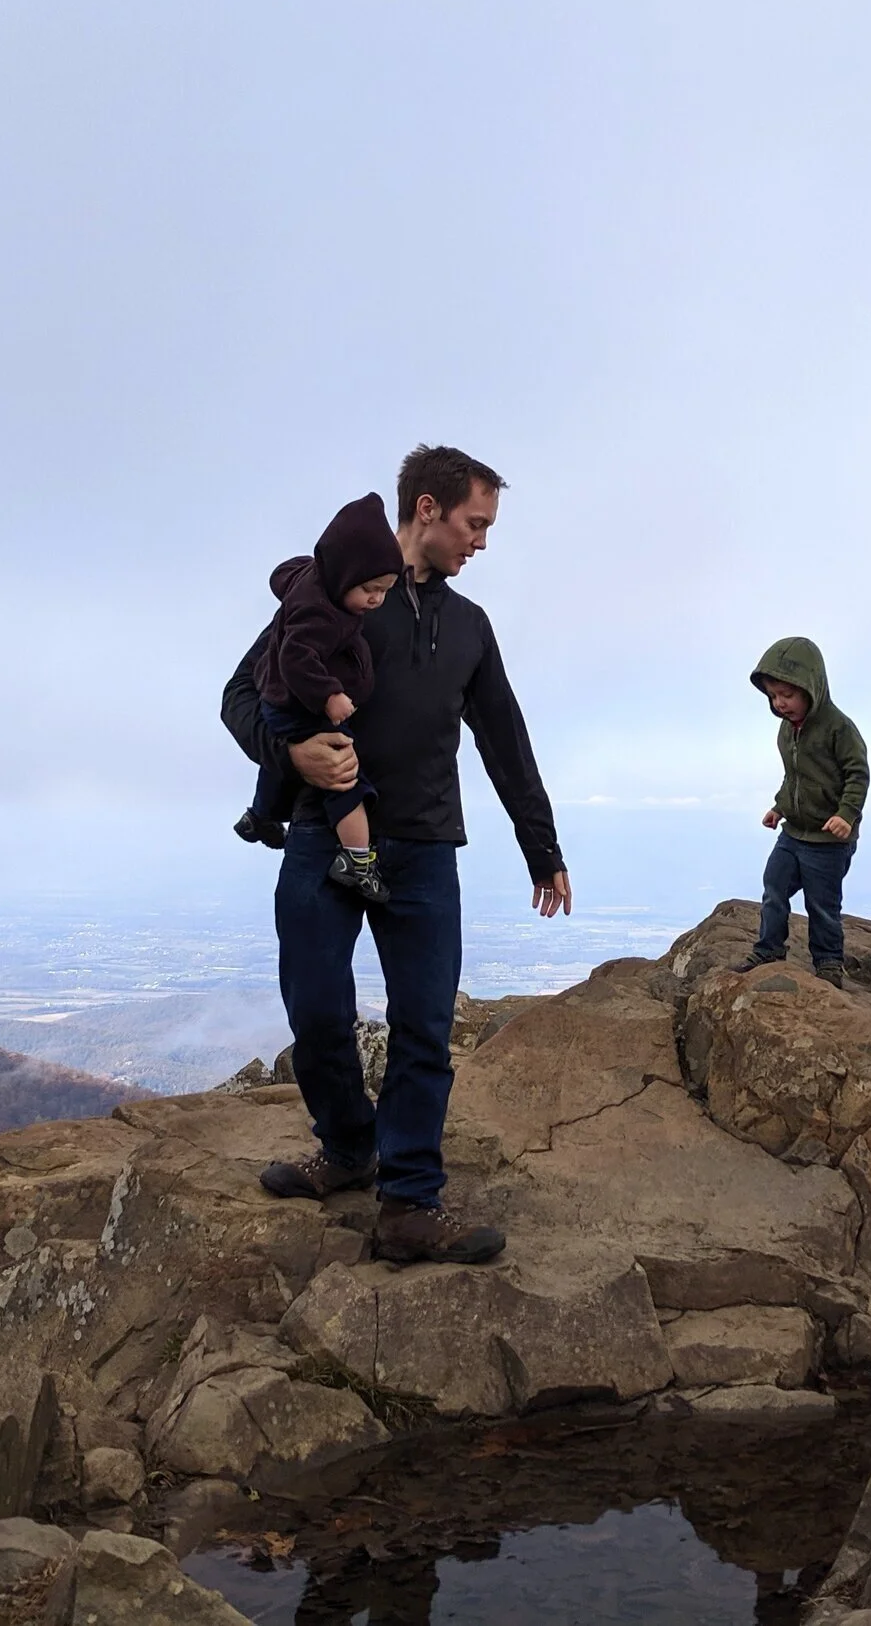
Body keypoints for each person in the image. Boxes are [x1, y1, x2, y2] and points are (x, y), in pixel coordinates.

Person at [221, 445, 572, 1264]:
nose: (481, 542)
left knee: (422, 1026)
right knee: (314, 1007)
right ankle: (348, 1148)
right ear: (426, 511)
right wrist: (296, 755)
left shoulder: (469, 626)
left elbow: (505, 743)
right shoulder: (334, 599)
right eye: (474, 523)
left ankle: (410, 1198)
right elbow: (242, 697)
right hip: (323, 834)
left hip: (423, 849)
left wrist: (541, 847)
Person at [245, 493, 405, 903]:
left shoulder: (315, 581)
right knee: (344, 777)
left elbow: (285, 572)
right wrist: (330, 695)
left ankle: (260, 815)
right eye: (370, 589)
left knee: (286, 758)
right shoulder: (319, 612)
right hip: (300, 702)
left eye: (385, 591)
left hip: (278, 701)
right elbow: (296, 657)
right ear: (342, 574)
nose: (376, 601)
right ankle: (356, 859)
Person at [732, 637, 869, 988]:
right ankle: (768, 949)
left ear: (812, 686)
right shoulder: (787, 729)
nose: (780, 704)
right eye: (773, 696)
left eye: (787, 695)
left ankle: (827, 962)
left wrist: (847, 814)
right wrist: (780, 807)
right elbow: (795, 776)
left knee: (821, 904)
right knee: (774, 887)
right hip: (793, 833)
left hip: (828, 838)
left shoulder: (840, 728)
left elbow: (858, 774)